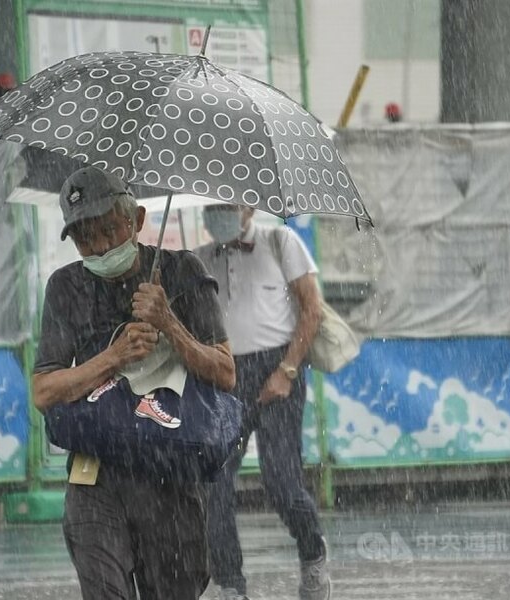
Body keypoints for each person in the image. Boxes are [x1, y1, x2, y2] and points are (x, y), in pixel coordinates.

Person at [32, 166, 235, 600]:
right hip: (96, 473)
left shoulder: (183, 272)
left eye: (109, 229)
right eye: (85, 238)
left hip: (171, 471)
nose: (100, 246)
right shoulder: (65, 287)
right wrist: (113, 357)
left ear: (138, 220)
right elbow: (44, 390)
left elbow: (225, 371)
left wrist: (170, 324)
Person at [194, 205, 330, 600]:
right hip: (224, 376)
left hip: (277, 369)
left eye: (226, 206)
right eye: (211, 207)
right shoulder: (200, 259)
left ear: (248, 206)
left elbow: (312, 309)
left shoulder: (279, 240)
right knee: (214, 485)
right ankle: (231, 585)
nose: (216, 214)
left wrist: (287, 371)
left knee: (282, 482)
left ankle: (313, 554)